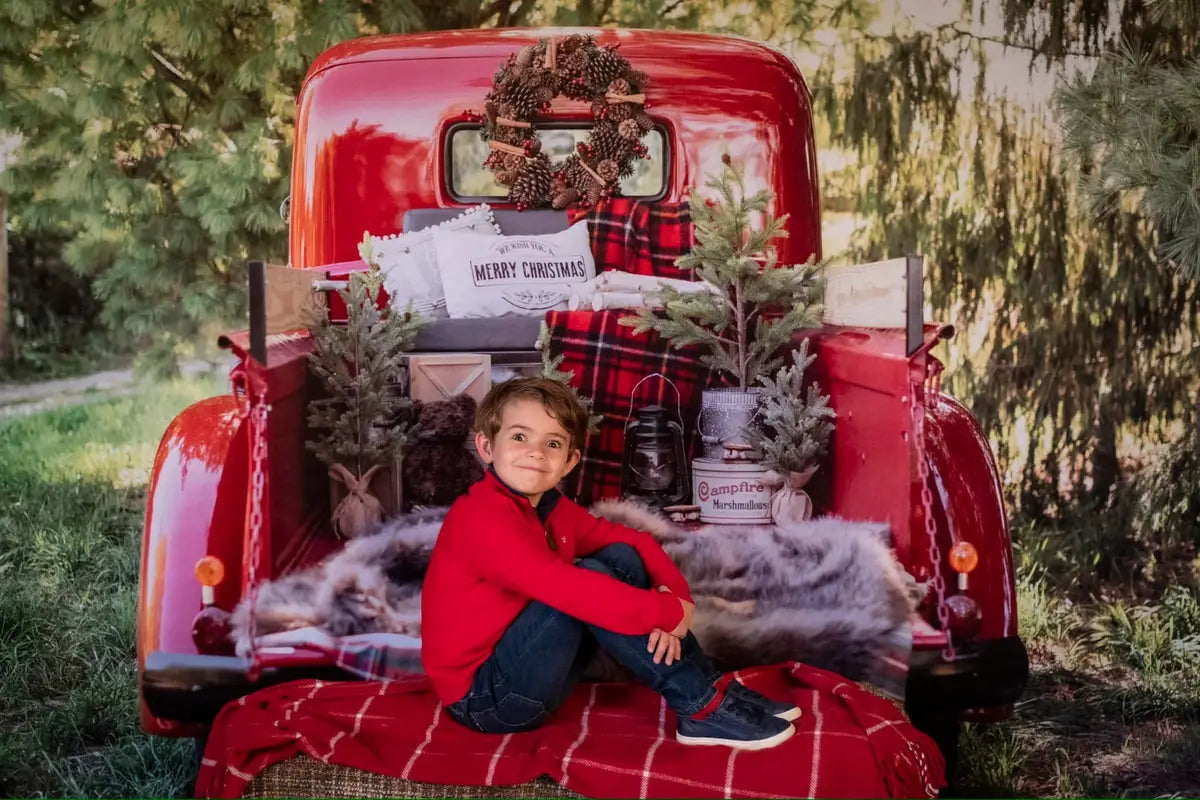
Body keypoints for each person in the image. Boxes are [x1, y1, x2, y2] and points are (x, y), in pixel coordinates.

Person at [421, 377, 799, 749]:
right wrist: (664, 612)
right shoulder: (482, 519)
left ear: (569, 461)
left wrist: (677, 597)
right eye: (519, 437)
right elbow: (571, 589)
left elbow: (634, 540)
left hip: (530, 671)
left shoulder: (550, 508)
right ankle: (699, 705)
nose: (536, 453)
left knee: (621, 557)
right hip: (488, 701)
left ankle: (706, 685)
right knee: (586, 580)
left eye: (552, 443)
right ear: (487, 447)